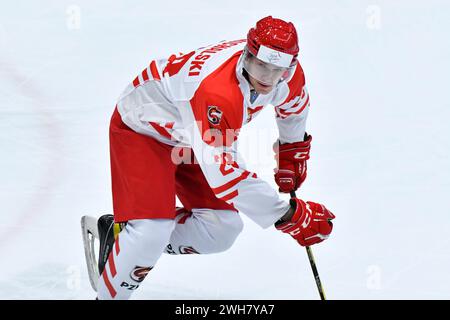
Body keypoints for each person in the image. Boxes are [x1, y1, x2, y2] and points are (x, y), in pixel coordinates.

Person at [94, 16, 335, 300]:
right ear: (248, 54)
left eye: (277, 70)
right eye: (261, 66)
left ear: (290, 65)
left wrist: (291, 152)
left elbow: (294, 107)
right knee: (150, 233)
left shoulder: (286, 73)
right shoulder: (218, 92)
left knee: (221, 230)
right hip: (145, 129)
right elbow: (226, 177)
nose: (267, 78)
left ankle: (124, 236)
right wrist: (288, 216)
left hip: (190, 134)